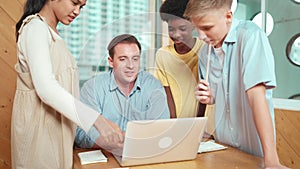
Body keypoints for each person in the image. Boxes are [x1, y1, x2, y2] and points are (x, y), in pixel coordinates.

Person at [11, 0, 123, 168]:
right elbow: (47, 89)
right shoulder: (35, 28)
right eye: (74, 3)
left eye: (81, 7)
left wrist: (102, 124)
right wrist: (97, 121)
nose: (77, 11)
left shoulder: (52, 33)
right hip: (39, 135)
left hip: (57, 132)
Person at [184, 0, 289, 168]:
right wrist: (210, 97)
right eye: (197, 29)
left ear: (228, 16)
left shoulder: (250, 36)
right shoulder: (205, 53)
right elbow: (219, 95)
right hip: (223, 146)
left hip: (253, 149)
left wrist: (272, 161)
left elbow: (256, 97)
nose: (201, 36)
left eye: (207, 28)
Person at [75, 34, 170, 151]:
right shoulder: (92, 87)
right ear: (111, 61)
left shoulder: (153, 86)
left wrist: (126, 139)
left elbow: (162, 127)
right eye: (123, 59)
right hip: (105, 156)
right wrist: (110, 142)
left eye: (135, 59)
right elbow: (81, 134)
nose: (130, 66)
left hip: (142, 154)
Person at [155, 0, 206, 118]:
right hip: (178, 124)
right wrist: (173, 123)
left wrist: (197, 123)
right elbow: (167, 95)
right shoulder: (163, 55)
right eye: (171, 29)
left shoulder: (204, 49)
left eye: (182, 29)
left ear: (193, 24)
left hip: (204, 124)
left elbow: (205, 93)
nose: (176, 34)